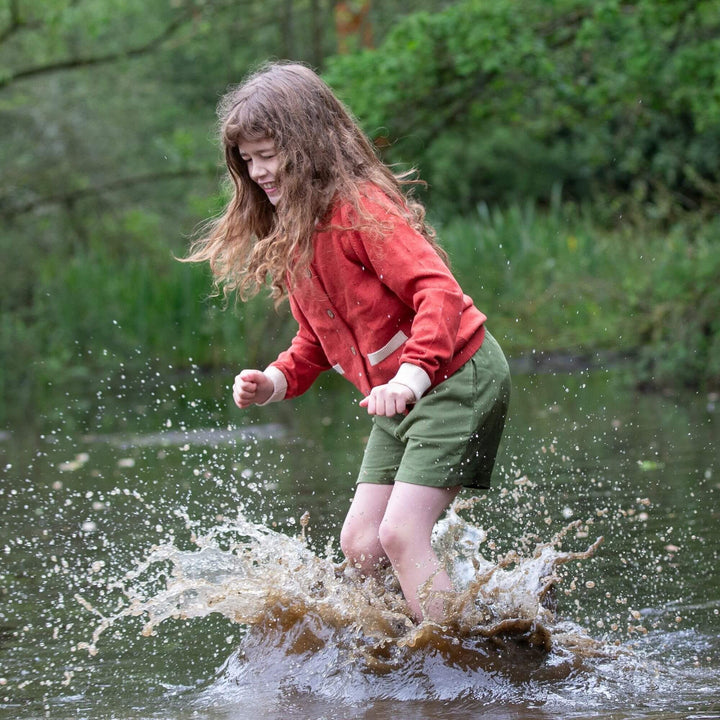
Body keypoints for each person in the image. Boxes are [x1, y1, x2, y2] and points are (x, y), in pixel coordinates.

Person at [185, 61, 511, 623]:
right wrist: (277, 380)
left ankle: (464, 660)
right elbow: (319, 336)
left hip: (456, 377)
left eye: (270, 155)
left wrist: (410, 378)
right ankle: (408, 649)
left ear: (309, 143)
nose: (258, 172)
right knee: (361, 546)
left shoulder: (359, 209)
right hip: (403, 395)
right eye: (248, 160)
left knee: (401, 534)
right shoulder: (293, 231)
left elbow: (441, 293)